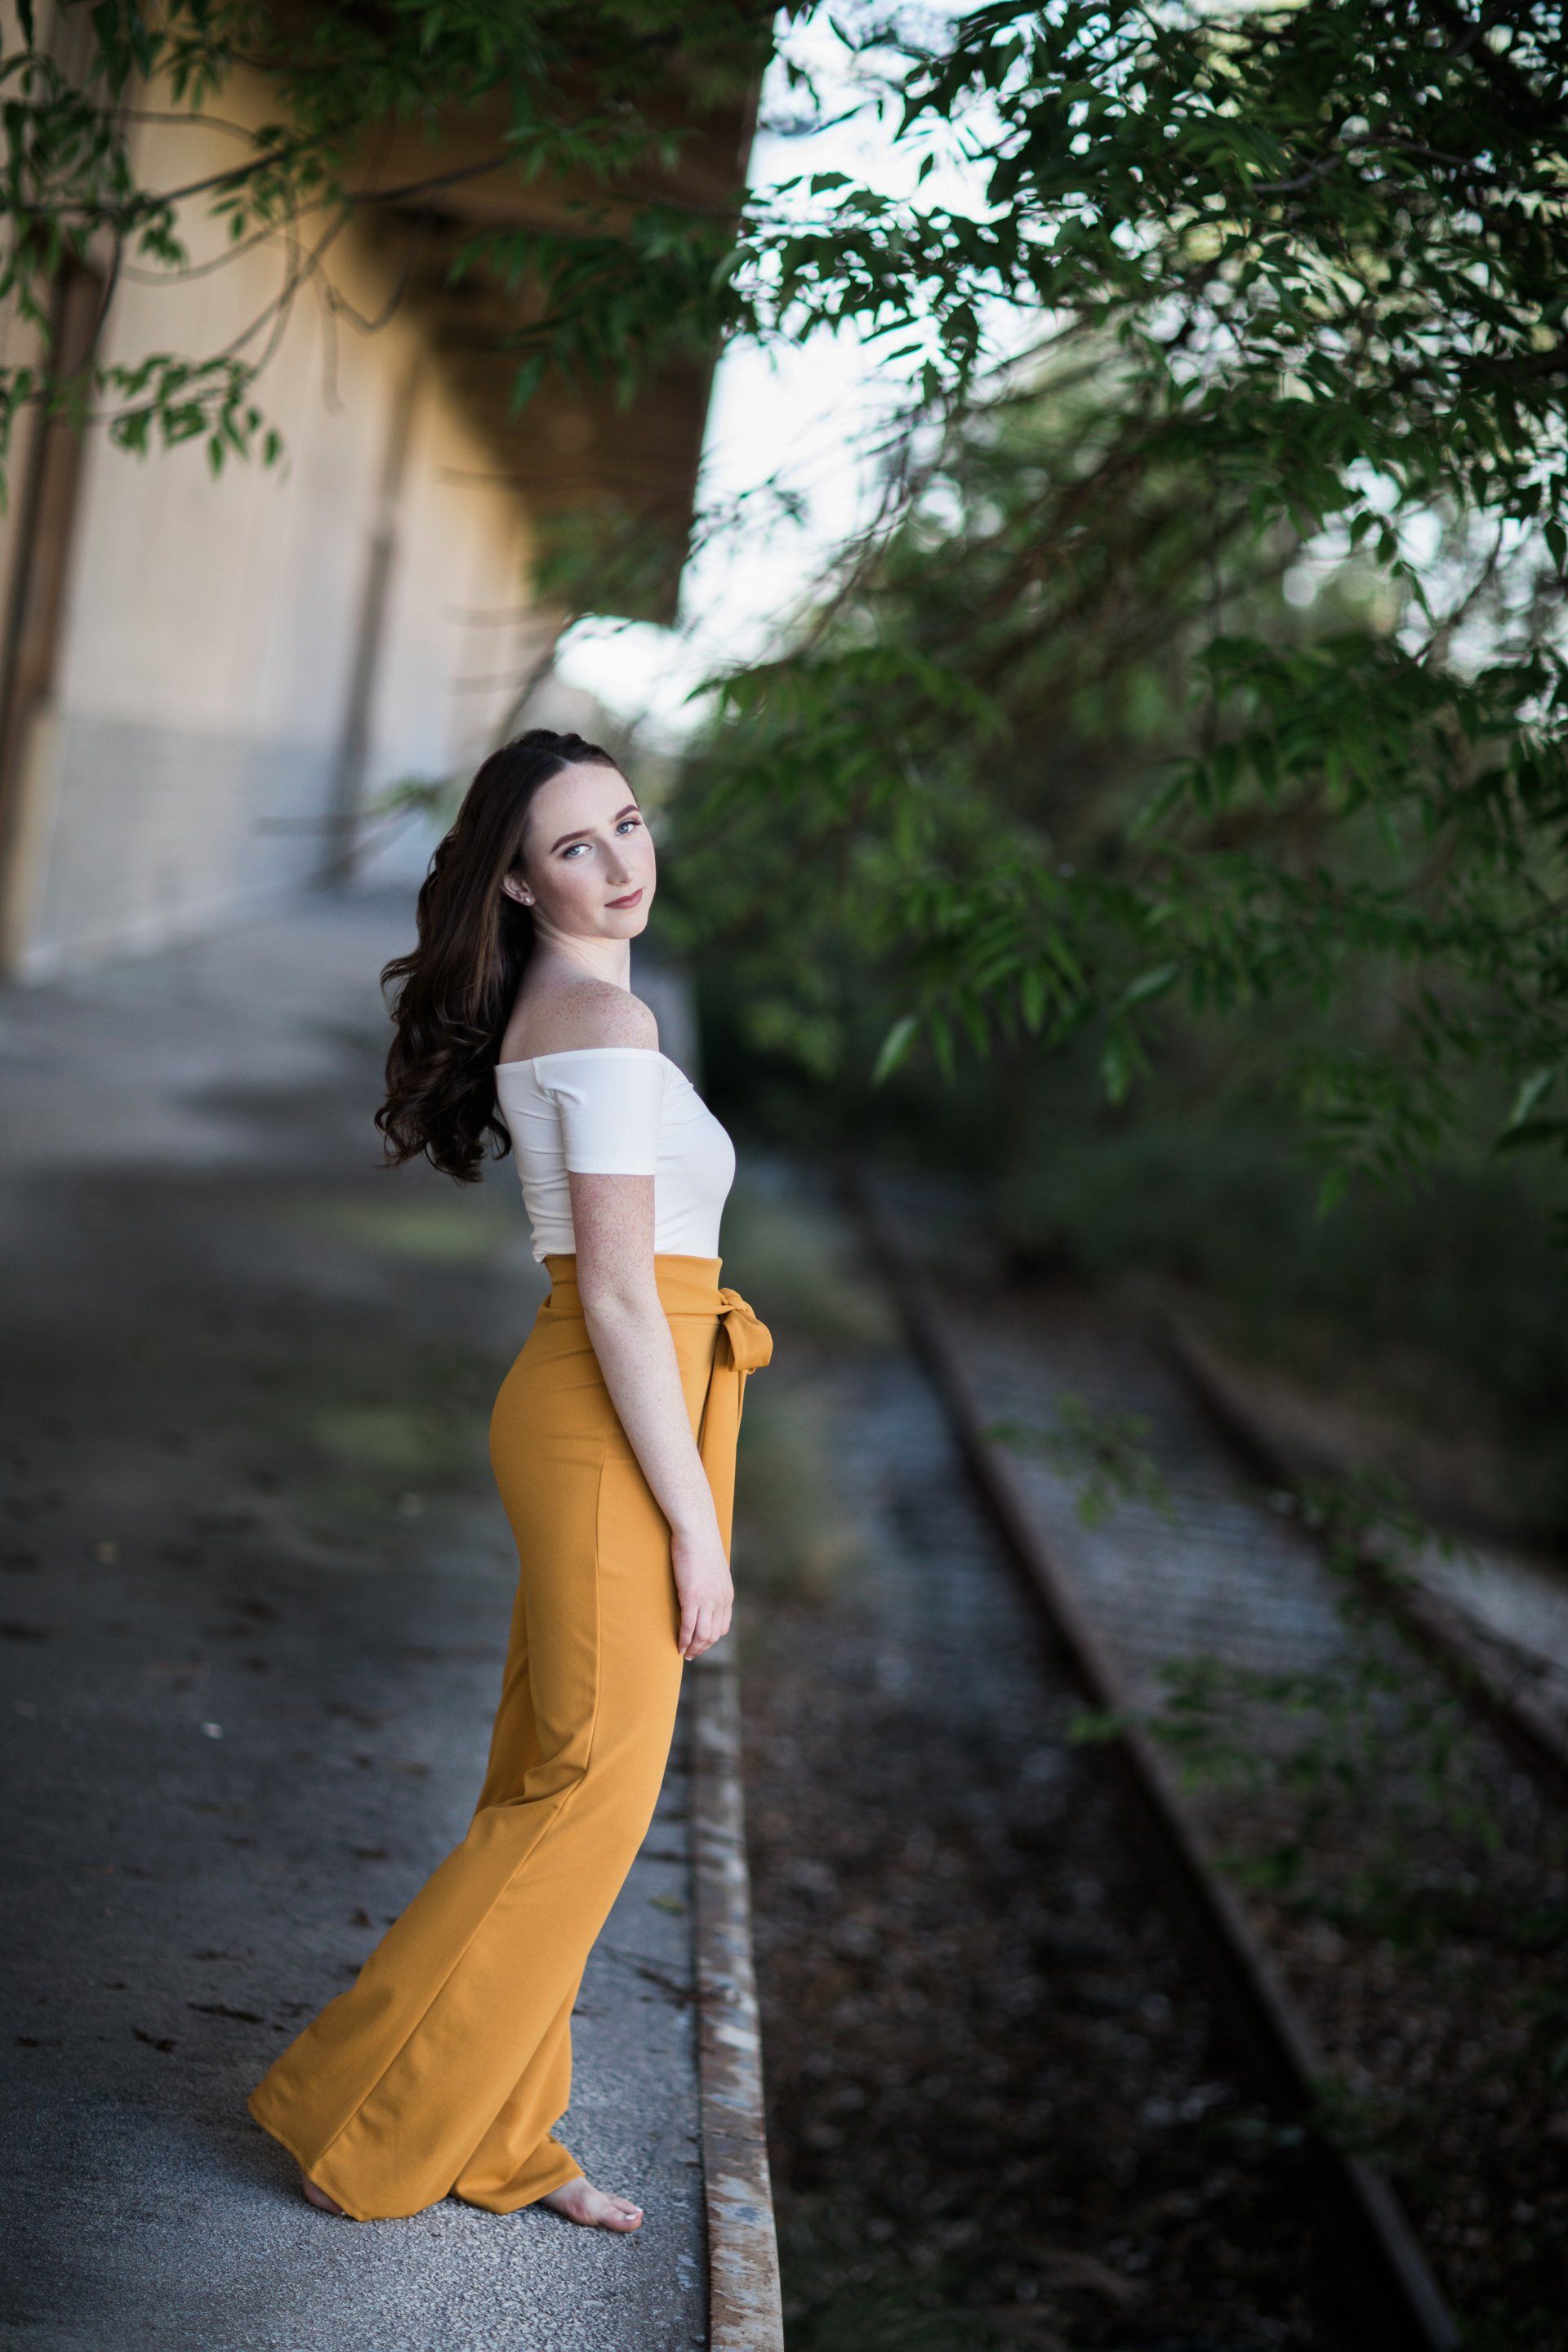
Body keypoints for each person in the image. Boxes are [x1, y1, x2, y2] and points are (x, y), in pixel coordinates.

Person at [245, 728, 771, 2230]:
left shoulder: (581, 1008)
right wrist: (697, 1531)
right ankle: (364, 2115)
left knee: (550, 1774)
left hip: (619, 1403)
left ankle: (499, 2136)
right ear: (523, 885)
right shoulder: (603, 1024)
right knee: (586, 1793)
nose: (621, 863)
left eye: (627, 824)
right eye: (575, 848)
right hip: (616, 1409)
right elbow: (618, 1295)